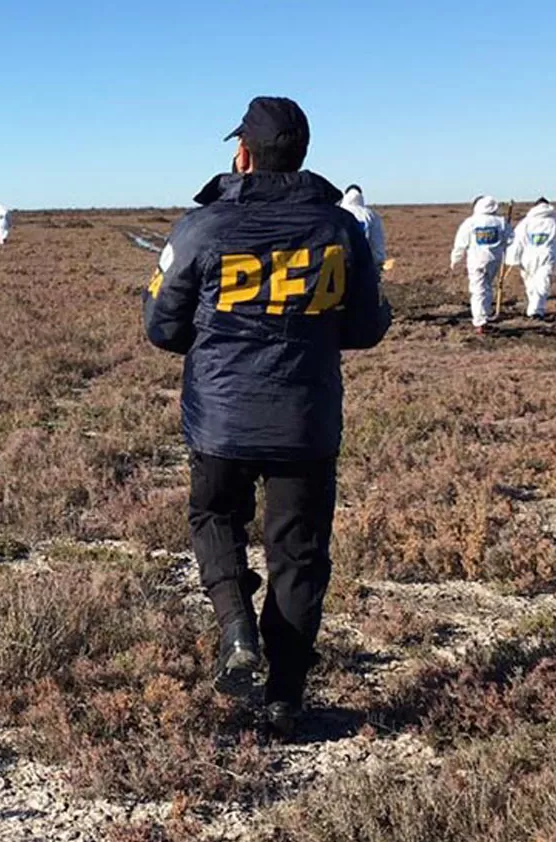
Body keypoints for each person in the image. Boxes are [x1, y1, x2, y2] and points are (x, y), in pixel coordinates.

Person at [142, 96, 391, 734]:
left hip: (221, 422)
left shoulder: (199, 229)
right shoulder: (341, 230)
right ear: (301, 155)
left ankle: (235, 629)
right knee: (300, 554)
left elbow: (162, 329)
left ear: (243, 155)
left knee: (215, 515)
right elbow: (364, 328)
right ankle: (285, 696)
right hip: (306, 423)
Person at [450, 196, 510, 332]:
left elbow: (461, 243)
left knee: (478, 290)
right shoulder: (501, 222)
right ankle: (484, 314)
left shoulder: (471, 222)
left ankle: (480, 320)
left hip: (476, 261)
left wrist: (455, 259)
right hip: (494, 261)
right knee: (487, 287)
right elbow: (511, 239)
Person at [504, 198, 556, 320]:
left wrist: (512, 258)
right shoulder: (555, 222)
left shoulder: (525, 222)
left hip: (528, 258)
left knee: (533, 284)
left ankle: (536, 311)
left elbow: (517, 241)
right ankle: (535, 309)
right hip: (547, 256)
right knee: (541, 283)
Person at [338, 185, 386, 269]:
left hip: (341, 263)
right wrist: (378, 261)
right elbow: (377, 241)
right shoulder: (371, 215)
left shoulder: (337, 213)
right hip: (365, 264)